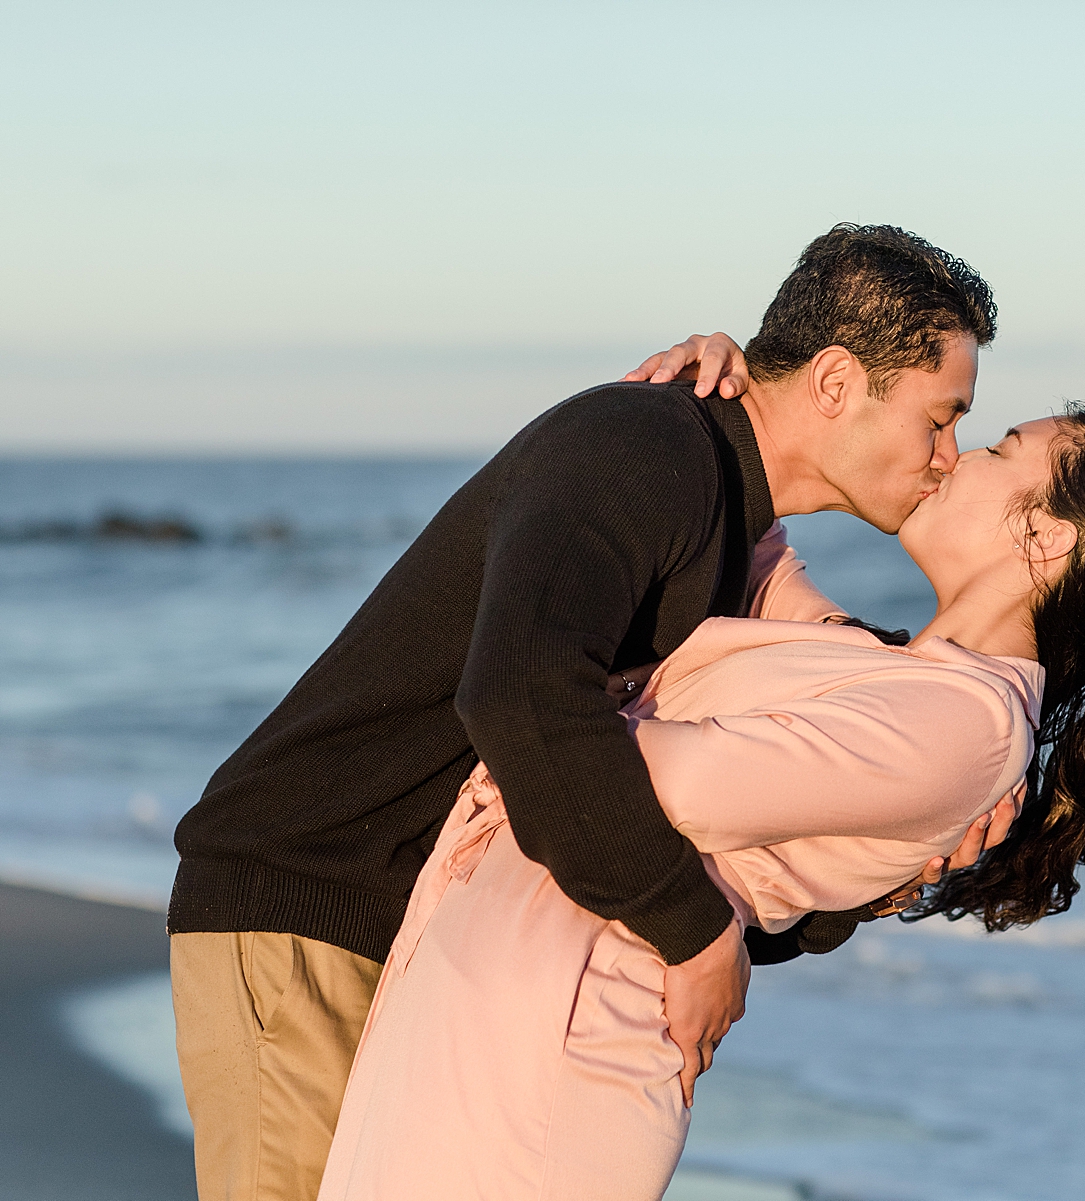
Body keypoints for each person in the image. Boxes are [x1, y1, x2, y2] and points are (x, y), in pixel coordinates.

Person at [166, 223, 1007, 1201]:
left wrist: (883, 865)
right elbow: (520, 699)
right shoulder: (646, 444)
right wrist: (694, 937)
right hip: (310, 901)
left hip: (417, 933)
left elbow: (682, 817)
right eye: (939, 419)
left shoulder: (735, 535)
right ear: (832, 383)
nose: (949, 456)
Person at [317, 403, 1085, 1199]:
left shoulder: (971, 724)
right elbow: (763, 553)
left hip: (562, 1030)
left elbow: (668, 783)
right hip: (504, 988)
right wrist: (713, 396)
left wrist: (554, 703)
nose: (955, 456)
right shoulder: (907, 673)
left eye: (1000, 449)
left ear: (1047, 538)